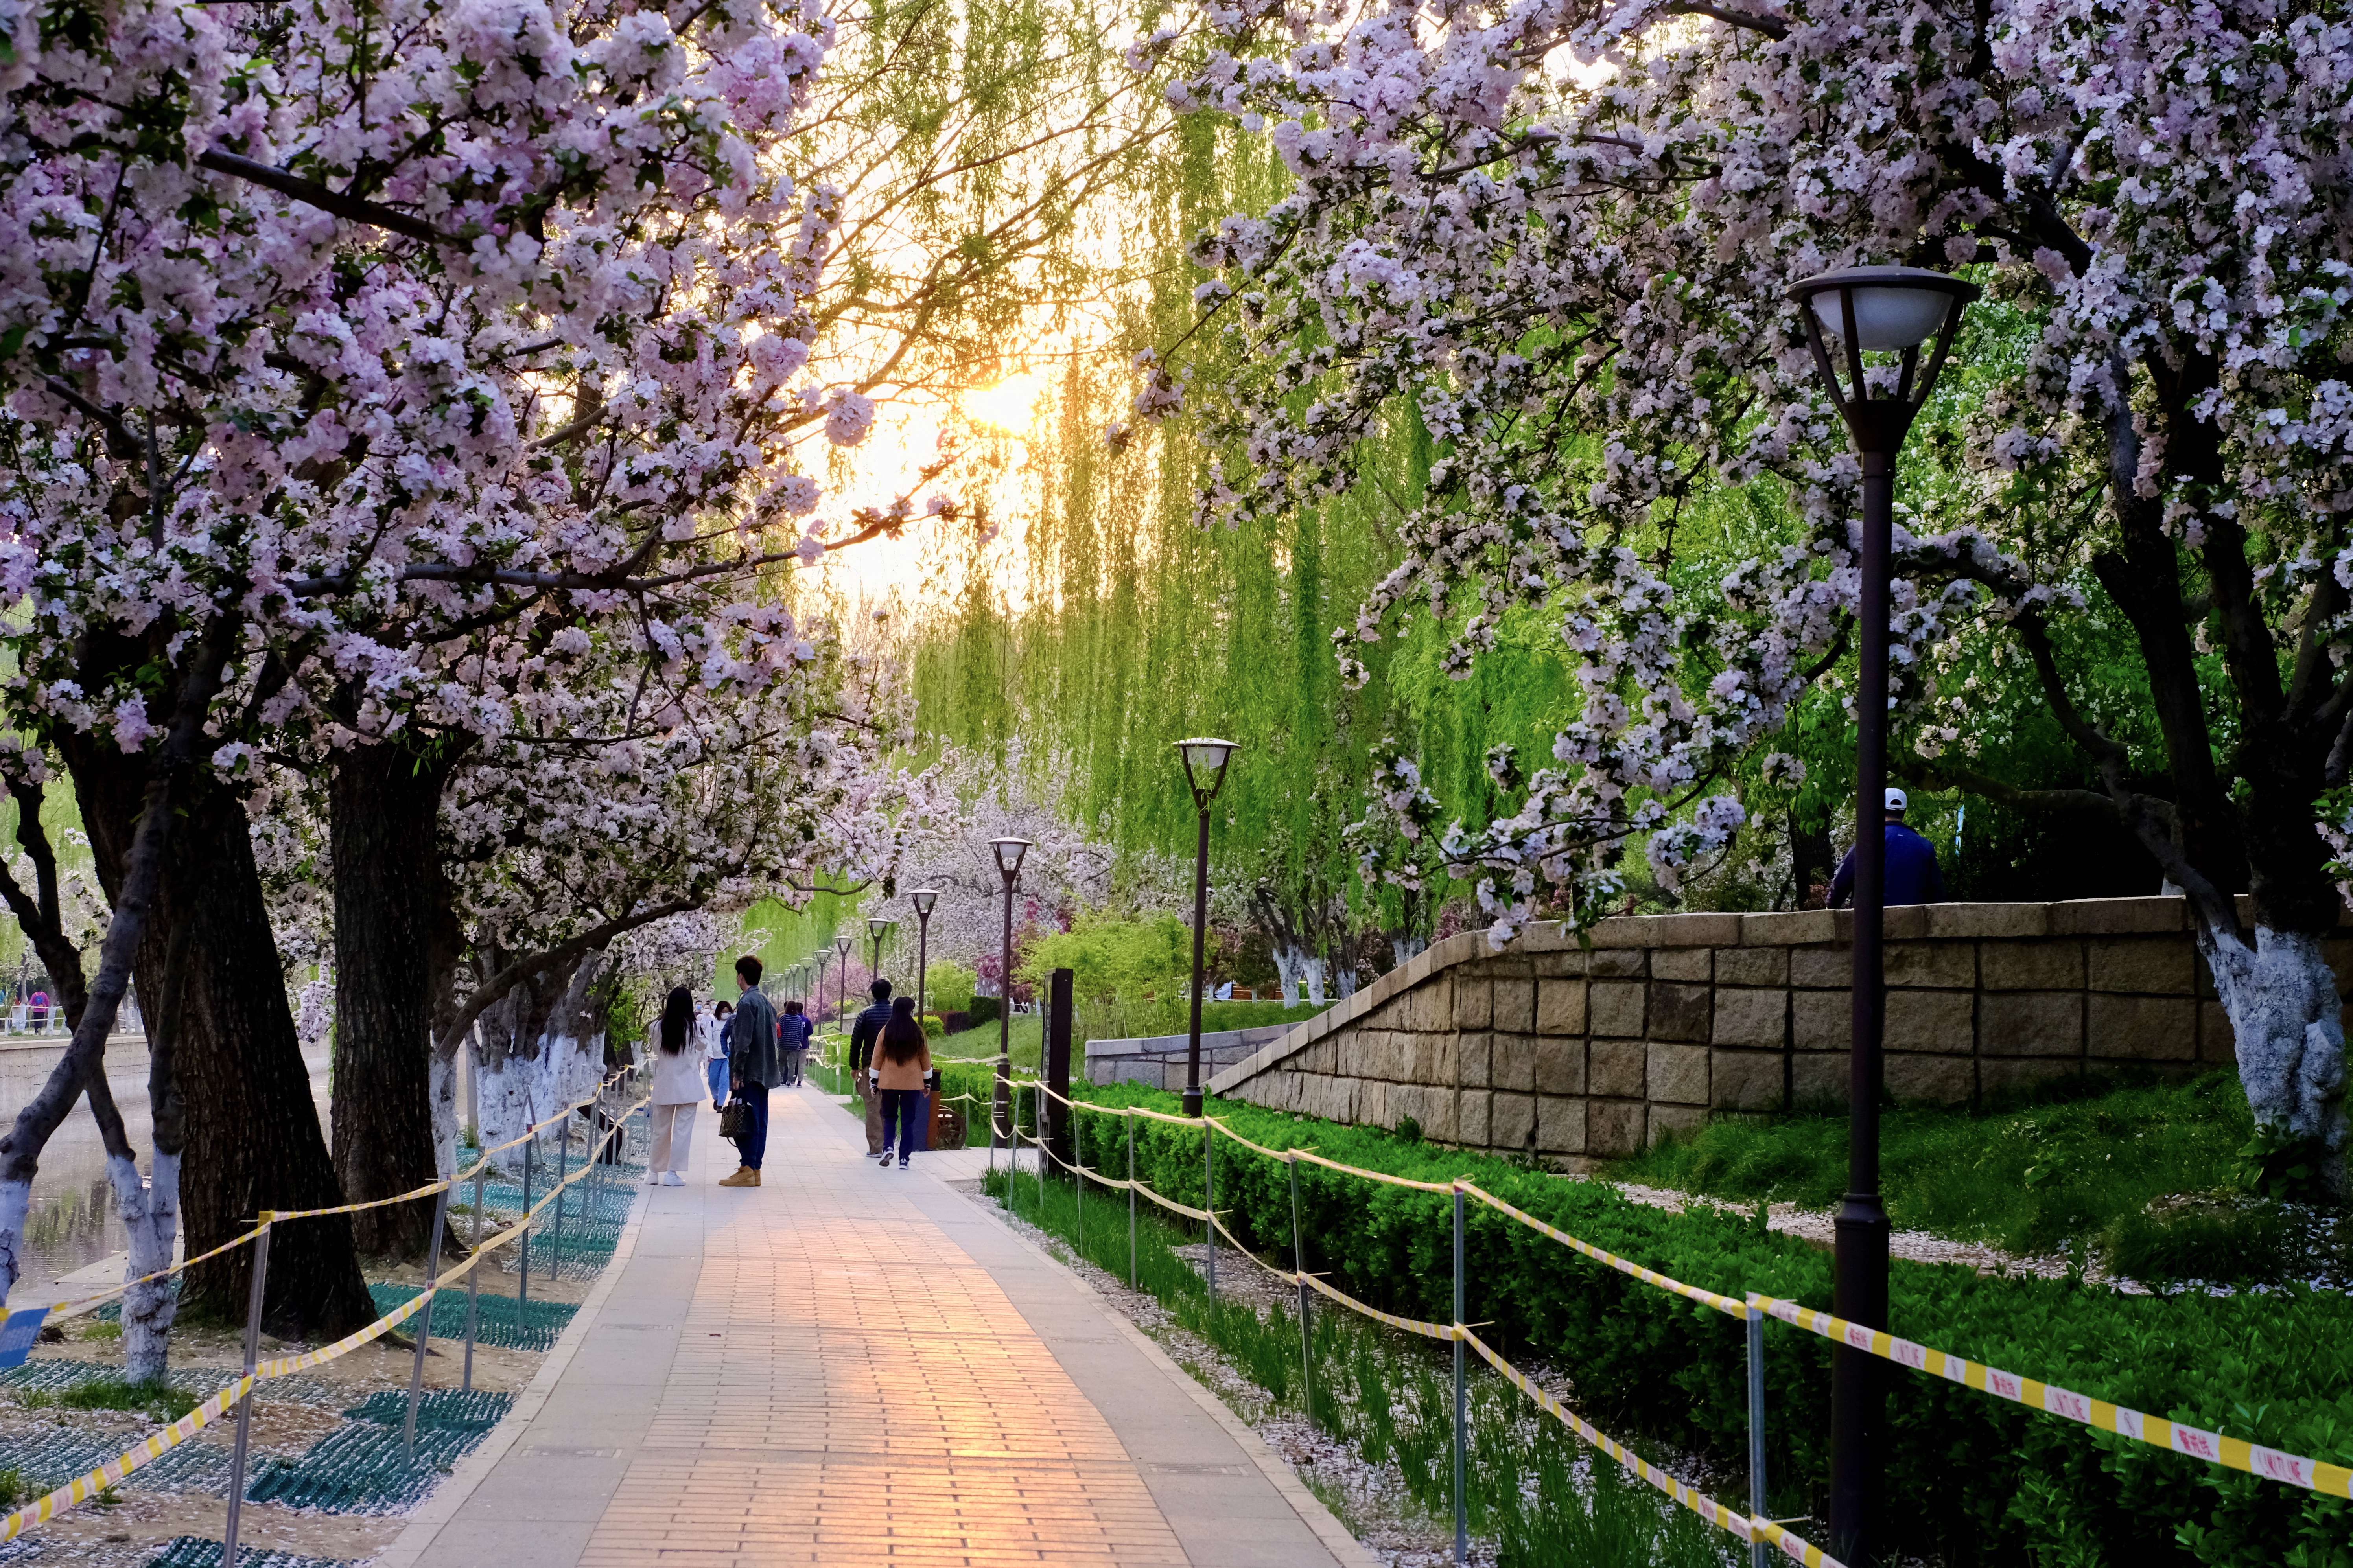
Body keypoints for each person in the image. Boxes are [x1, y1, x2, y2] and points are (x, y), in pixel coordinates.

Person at [720, 957, 783, 1188]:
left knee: (745, 1119)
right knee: (759, 1120)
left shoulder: (747, 1003)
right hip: (764, 1072)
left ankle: (747, 1167)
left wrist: (737, 1074)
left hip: (749, 1073)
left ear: (741, 976)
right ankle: (755, 1168)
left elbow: (742, 1043)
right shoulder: (766, 1002)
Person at [1829, 788, 1947, 909]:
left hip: (1872, 919)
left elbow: (1841, 884)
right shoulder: (1925, 846)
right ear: (1905, 811)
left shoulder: (1867, 842)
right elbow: (1939, 895)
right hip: (1915, 919)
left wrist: (1831, 907)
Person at [646, 985, 703, 1187]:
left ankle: (654, 1173)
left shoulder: (656, 1027)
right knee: (682, 1132)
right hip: (688, 1087)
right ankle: (672, 1174)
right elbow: (703, 1045)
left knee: (660, 1130)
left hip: (664, 1085)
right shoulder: (694, 1027)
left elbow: (656, 1048)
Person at [870, 996, 933, 1170]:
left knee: (889, 1117)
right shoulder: (918, 1032)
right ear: (911, 1011)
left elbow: (877, 1057)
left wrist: (874, 1082)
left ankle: (888, 1147)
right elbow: (925, 1058)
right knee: (908, 1121)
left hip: (889, 1082)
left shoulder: (886, 1031)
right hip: (912, 1083)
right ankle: (904, 1159)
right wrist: (927, 1083)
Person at [849, 979, 894, 1156]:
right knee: (889, 1106)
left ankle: (876, 1148)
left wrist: (854, 1066)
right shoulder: (896, 1014)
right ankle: (889, 1144)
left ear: (873, 993)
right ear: (889, 993)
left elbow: (856, 1042)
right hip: (894, 1067)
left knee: (873, 1107)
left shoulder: (866, 1014)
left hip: (871, 1066)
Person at [702, 999, 733, 1111]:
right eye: (724, 1012)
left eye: (728, 1012)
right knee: (713, 1082)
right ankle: (717, 1098)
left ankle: (721, 1104)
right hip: (715, 1057)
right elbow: (709, 1040)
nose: (726, 1014)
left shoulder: (732, 1024)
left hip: (727, 1057)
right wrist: (709, 1054)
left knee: (724, 1081)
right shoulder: (712, 1024)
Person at [780, 999, 812, 1086]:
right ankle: (795, 1081)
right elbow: (806, 1032)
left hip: (786, 1043)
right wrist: (801, 1039)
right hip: (799, 1044)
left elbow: (781, 1030)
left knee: (785, 1061)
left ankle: (784, 1078)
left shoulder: (784, 1018)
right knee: (796, 1064)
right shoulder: (802, 1020)